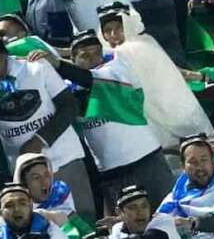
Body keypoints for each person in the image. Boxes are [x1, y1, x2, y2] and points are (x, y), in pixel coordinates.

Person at [0, 29, 94, 220]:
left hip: (65, 160)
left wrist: (39, 140)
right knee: (43, 232)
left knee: (83, 223)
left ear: (3, 53)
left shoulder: (35, 67)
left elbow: (69, 106)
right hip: (26, 175)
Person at [43, 30, 173, 211]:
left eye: (97, 53)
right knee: (125, 227)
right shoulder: (67, 87)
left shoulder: (117, 70)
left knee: (169, 214)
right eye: (85, 55)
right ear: (73, 59)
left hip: (146, 161)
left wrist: (57, 64)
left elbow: (88, 79)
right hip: (110, 171)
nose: (94, 59)